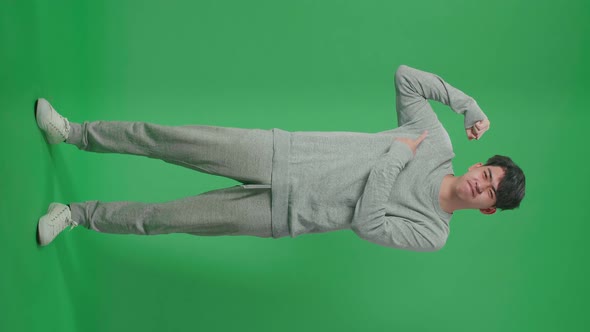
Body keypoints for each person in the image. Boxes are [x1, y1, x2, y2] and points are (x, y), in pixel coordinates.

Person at [35, 64, 526, 251]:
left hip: (281, 216)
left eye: (489, 191)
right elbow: (405, 77)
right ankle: (73, 132)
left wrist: (395, 158)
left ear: (487, 208)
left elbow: (368, 222)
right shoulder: (438, 142)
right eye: (486, 173)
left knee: (165, 220)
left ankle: (76, 216)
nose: (481, 183)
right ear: (478, 166)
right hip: (280, 153)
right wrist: (466, 104)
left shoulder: (433, 233)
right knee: (165, 139)